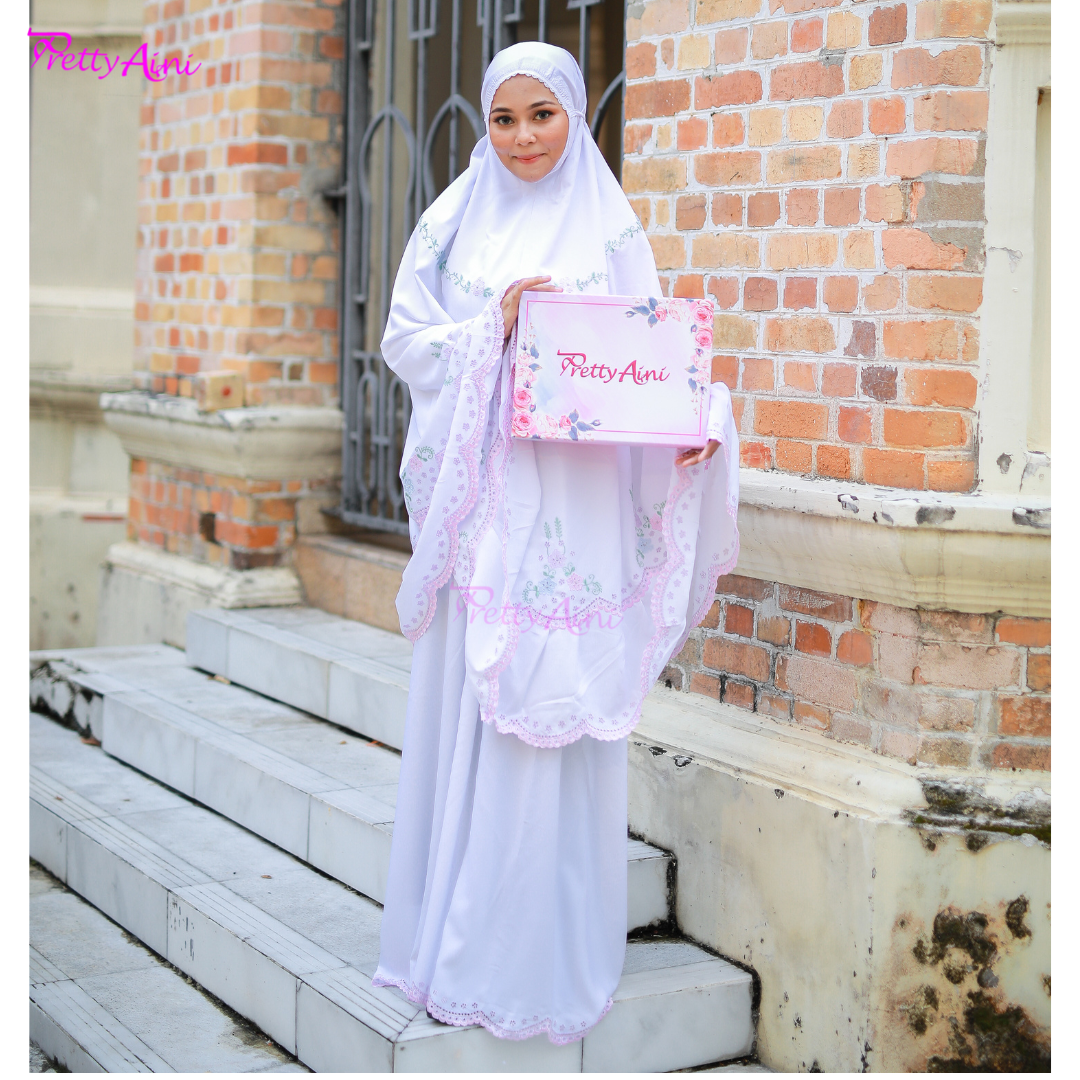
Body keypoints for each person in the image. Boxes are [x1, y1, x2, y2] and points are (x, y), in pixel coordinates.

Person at [372, 41, 740, 1045]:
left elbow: (647, 364)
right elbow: (405, 341)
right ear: (484, 124)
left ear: (575, 118)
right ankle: (453, 948)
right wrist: (489, 328)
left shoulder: (611, 229)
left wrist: (695, 422)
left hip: (573, 518)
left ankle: (535, 957)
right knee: (479, 715)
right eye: (505, 118)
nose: (523, 137)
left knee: (552, 717)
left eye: (543, 115)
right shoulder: (451, 222)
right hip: (483, 515)